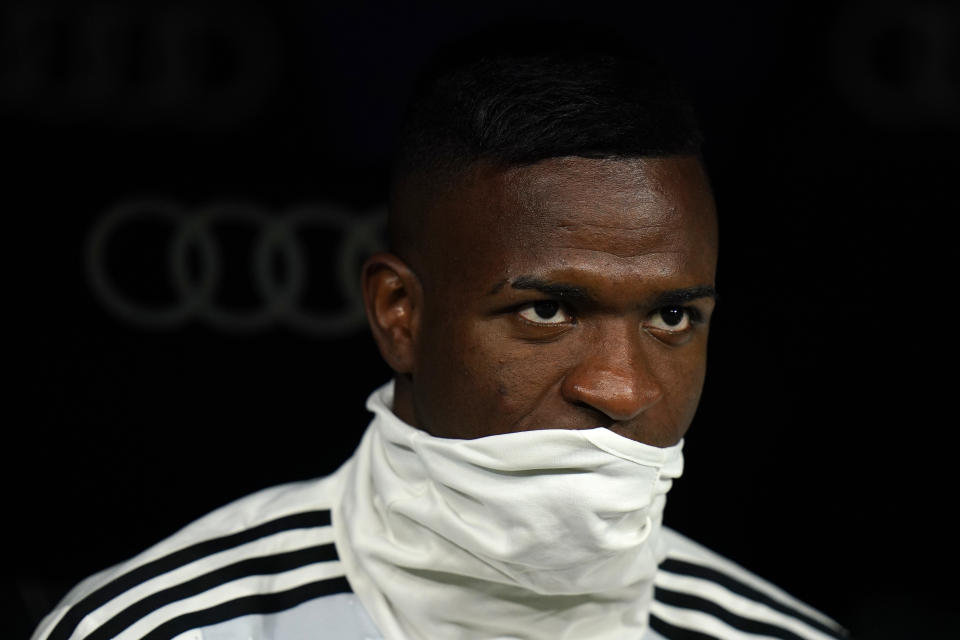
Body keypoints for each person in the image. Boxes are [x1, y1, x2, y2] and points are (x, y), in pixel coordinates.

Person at [33, 32, 848, 640]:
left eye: (672, 317)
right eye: (549, 311)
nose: (622, 386)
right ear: (400, 313)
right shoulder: (161, 629)